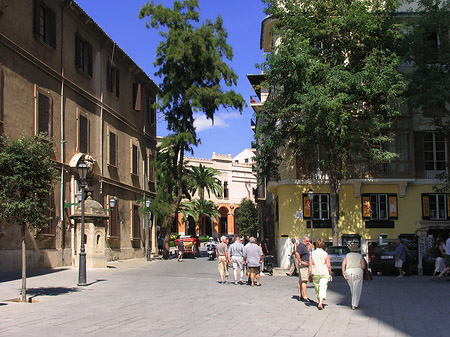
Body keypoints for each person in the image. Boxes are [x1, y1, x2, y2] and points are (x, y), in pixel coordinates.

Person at [342, 243, 366, 310]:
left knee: (352, 288)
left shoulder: (348, 255)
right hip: (358, 272)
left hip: (349, 272)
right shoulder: (359, 256)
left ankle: (354, 301)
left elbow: (343, 264)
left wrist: (343, 273)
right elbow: (363, 266)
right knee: (357, 289)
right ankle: (354, 304)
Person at [309, 238, 331, 310]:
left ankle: (319, 301)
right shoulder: (325, 254)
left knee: (317, 288)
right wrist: (330, 273)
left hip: (315, 272)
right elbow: (328, 265)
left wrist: (309, 274)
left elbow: (310, 265)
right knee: (323, 287)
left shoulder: (312, 254)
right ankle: (321, 302)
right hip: (324, 272)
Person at [295, 235, 312, 302]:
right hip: (304, 266)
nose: (308, 242)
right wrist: (301, 261)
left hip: (304, 264)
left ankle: (300, 295)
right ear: (303, 240)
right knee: (304, 280)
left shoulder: (303, 246)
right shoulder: (301, 246)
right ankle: (304, 296)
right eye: (307, 241)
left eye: (309, 241)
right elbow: (297, 253)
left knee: (300, 280)